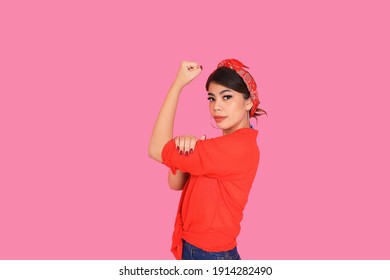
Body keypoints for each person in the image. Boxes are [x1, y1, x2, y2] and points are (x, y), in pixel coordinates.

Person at [148, 58, 266, 260]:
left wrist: (177, 85)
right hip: (209, 252)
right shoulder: (223, 147)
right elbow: (175, 182)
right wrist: (186, 147)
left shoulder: (235, 148)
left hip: (207, 254)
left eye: (226, 97)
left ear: (249, 102)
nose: (217, 107)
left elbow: (156, 149)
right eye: (212, 99)